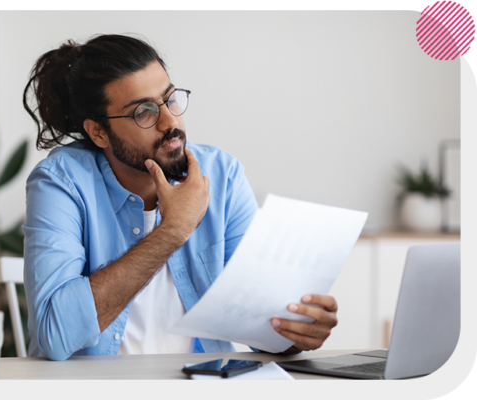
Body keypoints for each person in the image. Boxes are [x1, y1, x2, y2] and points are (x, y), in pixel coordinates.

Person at [22, 34, 338, 361]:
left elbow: (261, 327)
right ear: (98, 131)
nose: (170, 121)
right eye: (143, 112)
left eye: (170, 99)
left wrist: (297, 332)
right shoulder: (61, 182)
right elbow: (54, 336)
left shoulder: (223, 176)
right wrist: (173, 230)